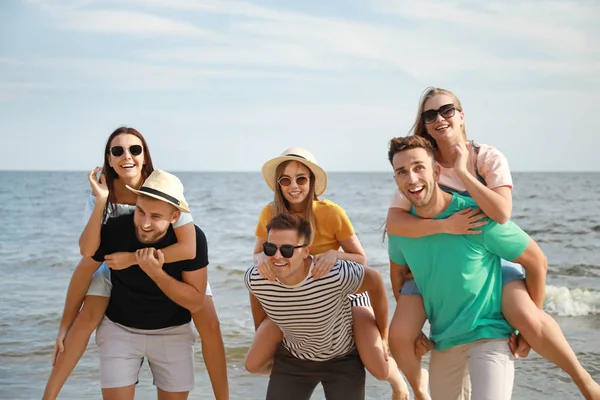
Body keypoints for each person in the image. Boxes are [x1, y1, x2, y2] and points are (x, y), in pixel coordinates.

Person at [387, 88, 600, 400]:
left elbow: (501, 214)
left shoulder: (483, 157)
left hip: (486, 253)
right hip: (433, 255)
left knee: (527, 317)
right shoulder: (414, 165)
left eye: (446, 110)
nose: (439, 118)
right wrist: (445, 225)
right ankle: (418, 390)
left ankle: (585, 383)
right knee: (399, 335)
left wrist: (462, 172)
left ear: (461, 115)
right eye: (429, 114)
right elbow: (395, 225)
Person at [43, 127, 228, 400]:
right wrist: (101, 200)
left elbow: (188, 248)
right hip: (111, 263)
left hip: (169, 258)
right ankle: (49, 394)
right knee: (85, 319)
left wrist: (135, 260)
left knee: (209, 323)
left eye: (135, 149)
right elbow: (88, 254)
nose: (126, 156)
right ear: (109, 157)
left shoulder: (164, 188)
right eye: (117, 150)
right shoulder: (101, 192)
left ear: (145, 156)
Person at [387, 135, 546, 399]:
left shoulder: (474, 216)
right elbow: (399, 274)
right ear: (396, 180)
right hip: (444, 343)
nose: (412, 179)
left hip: (490, 338)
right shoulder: (402, 229)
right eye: (402, 172)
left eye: (418, 168)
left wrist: (529, 329)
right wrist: (414, 329)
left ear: (436, 171)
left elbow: (536, 261)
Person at [246, 148, 408, 399]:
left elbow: (361, 260)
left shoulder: (331, 212)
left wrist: (336, 255)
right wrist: (262, 261)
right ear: (278, 184)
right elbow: (258, 255)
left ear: (311, 182)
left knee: (377, 362)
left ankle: (397, 380)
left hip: (341, 292)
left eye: (301, 178)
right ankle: (293, 374)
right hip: (295, 295)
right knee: (254, 362)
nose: (293, 186)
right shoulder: (270, 212)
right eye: (285, 180)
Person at [245, 213, 389, 399]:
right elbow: (256, 295)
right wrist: (261, 334)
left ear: (306, 251)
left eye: (287, 250)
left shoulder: (333, 274)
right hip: (295, 359)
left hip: (342, 358)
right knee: (252, 363)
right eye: (270, 248)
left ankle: (396, 378)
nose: (277, 256)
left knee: (381, 370)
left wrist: (383, 336)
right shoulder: (257, 278)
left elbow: (375, 281)